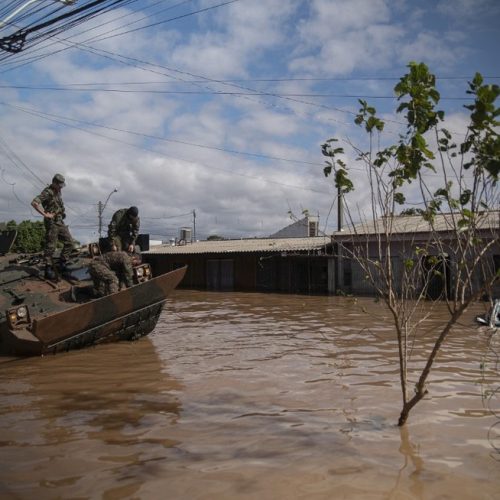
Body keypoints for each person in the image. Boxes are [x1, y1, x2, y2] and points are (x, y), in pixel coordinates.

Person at [31, 173, 75, 277]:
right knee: (51, 246)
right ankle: (48, 269)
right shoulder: (47, 192)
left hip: (60, 221)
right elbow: (34, 203)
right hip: (52, 223)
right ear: (54, 183)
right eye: (59, 185)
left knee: (69, 242)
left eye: (62, 185)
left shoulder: (58, 192)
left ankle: (62, 264)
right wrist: (45, 214)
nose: (61, 187)